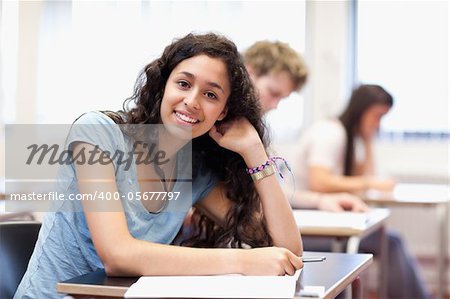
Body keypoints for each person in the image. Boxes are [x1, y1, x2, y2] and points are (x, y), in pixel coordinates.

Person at [15, 33, 303, 299]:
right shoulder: (97, 134)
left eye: (211, 95)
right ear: (163, 85)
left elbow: (286, 249)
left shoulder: (196, 168)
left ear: (223, 112)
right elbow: (117, 255)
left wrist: (254, 151)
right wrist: (243, 260)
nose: (191, 101)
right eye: (183, 84)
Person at [295, 84, 431, 299]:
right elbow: (319, 182)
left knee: (391, 241)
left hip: (326, 218)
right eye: (377, 116)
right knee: (391, 243)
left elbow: (363, 176)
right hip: (306, 224)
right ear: (361, 110)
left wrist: (368, 140)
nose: (378, 124)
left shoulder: (350, 137)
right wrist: (369, 182)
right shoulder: (330, 132)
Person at [242, 40, 368, 212]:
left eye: (281, 98)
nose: (275, 105)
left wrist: (320, 200)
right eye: (273, 93)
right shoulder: (222, 124)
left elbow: (271, 191)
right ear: (250, 73)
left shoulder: (254, 129)